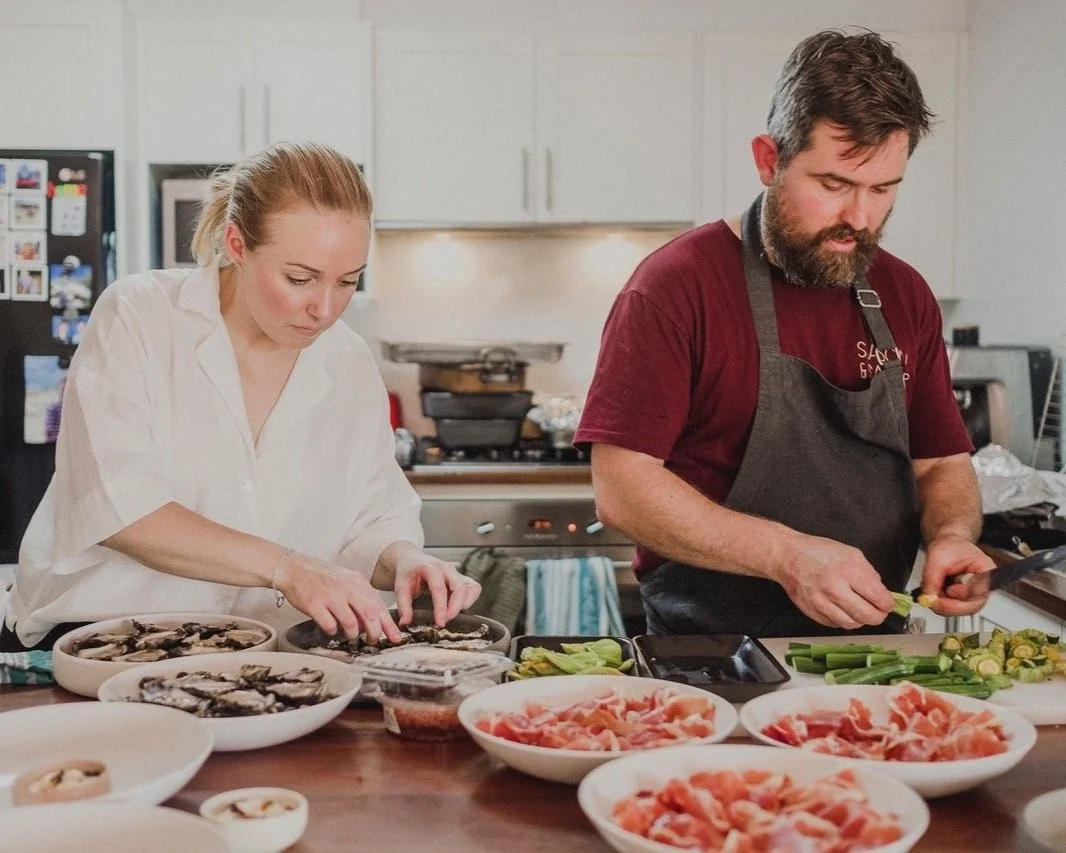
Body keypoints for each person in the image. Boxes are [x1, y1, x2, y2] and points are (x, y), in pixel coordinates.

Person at [574, 29, 994, 638]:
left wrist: (952, 538)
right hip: (713, 656)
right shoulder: (675, 286)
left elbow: (939, 464)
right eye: (832, 185)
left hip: (873, 653)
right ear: (769, 160)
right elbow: (622, 488)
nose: (859, 217)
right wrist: (786, 556)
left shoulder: (906, 294)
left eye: (882, 190)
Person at [2, 140, 481, 652]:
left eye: (347, 281)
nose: (324, 308)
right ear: (236, 244)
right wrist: (288, 568)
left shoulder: (348, 361)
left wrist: (405, 558)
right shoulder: (140, 315)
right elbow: (120, 507)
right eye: (300, 278)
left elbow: (372, 516)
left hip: (264, 653)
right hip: (102, 642)